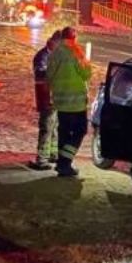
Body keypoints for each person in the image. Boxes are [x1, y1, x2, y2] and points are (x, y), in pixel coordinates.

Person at [45, 26, 92, 177]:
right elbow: (86, 74)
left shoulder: (55, 53)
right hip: (76, 103)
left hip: (60, 101)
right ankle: (65, 162)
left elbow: (48, 76)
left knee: (64, 132)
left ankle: (62, 164)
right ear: (74, 38)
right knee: (80, 131)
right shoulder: (76, 52)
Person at [28, 31, 63, 171]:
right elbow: (41, 74)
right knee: (47, 127)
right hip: (46, 98)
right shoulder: (42, 56)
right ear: (53, 42)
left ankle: (53, 154)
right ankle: (42, 160)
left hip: (57, 98)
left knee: (55, 127)